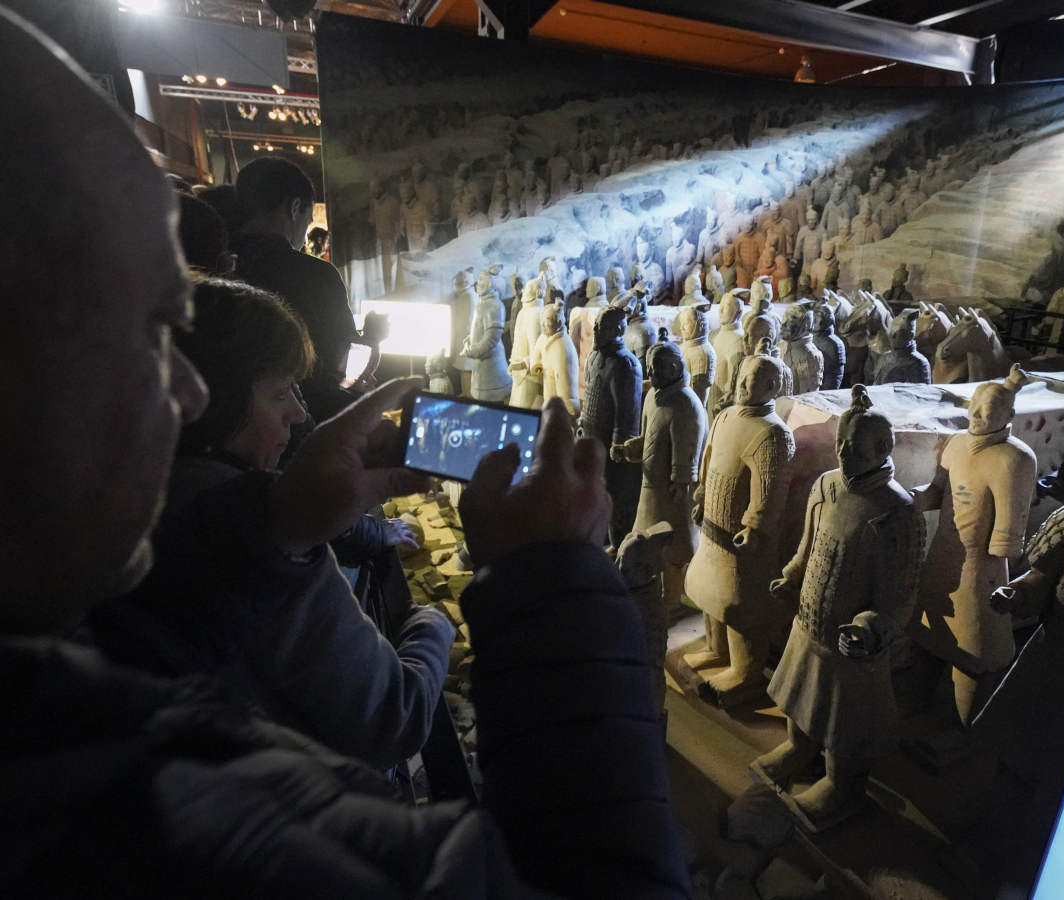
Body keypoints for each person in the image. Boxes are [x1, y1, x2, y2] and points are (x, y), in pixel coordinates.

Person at [0, 10, 686, 896]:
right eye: (151, 329)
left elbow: (169, 588)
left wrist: (273, 522)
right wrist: (554, 591)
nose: (191, 395)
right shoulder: (141, 819)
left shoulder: (71, 689)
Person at [85, 278, 448, 771]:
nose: (298, 413)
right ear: (207, 401)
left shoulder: (133, 496)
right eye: (280, 393)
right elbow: (394, 717)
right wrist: (432, 623)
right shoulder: (246, 533)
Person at [233, 156, 358, 423]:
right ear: (294, 208)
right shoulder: (316, 275)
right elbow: (344, 363)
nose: (305, 235)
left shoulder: (216, 261)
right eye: (308, 220)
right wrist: (374, 337)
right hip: (307, 419)